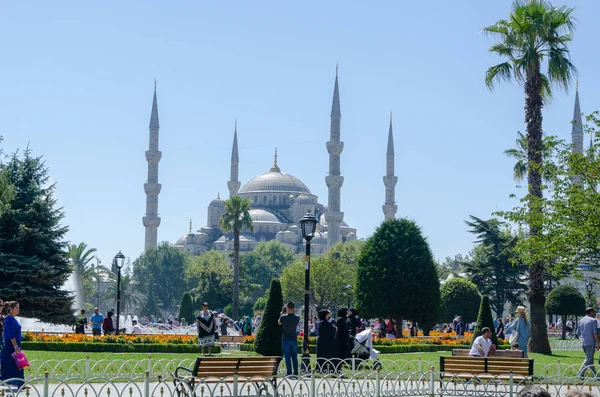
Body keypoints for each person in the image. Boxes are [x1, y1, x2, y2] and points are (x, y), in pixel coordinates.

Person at [0, 301, 24, 387]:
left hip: (14, 346)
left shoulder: (12, 319)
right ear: (11, 309)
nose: (18, 309)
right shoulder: (9, 319)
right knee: (10, 366)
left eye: (18, 307)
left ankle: (21, 383)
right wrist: (16, 346)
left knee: (20, 365)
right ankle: (16, 383)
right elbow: (11, 335)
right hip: (11, 347)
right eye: (17, 307)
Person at [577, 307, 599, 378]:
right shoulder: (593, 320)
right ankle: (580, 374)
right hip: (590, 342)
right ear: (591, 312)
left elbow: (578, 332)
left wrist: (584, 337)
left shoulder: (581, 320)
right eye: (594, 312)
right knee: (588, 359)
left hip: (584, 342)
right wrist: (597, 343)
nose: (595, 314)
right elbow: (595, 333)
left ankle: (595, 375)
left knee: (590, 359)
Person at [278, 302, 300, 377]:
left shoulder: (283, 317)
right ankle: (296, 372)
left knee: (287, 357)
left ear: (287, 307)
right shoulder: (297, 317)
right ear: (293, 308)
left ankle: (289, 372)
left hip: (286, 338)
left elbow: (279, 323)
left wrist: (282, 314)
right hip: (294, 338)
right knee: (294, 357)